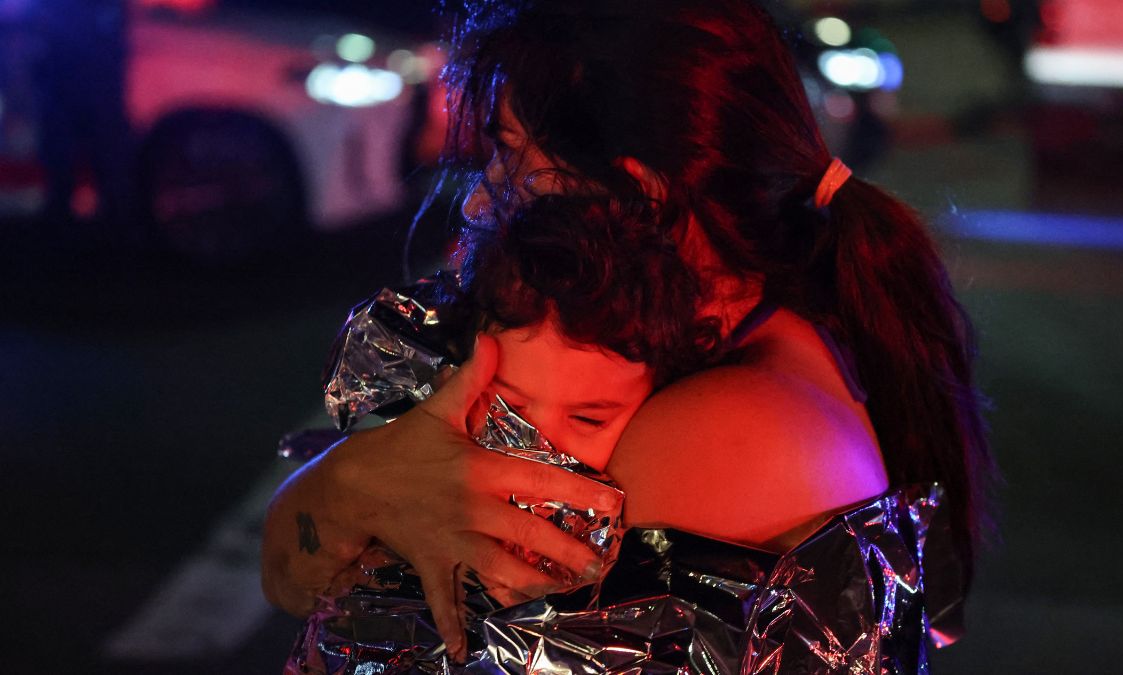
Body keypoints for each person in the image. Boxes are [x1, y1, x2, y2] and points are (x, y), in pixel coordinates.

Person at [262, 0, 994, 663]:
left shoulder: (722, 429)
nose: (483, 199)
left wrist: (355, 494)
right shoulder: (637, 339)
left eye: (512, 153)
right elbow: (291, 575)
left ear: (636, 195)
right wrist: (352, 484)